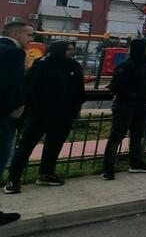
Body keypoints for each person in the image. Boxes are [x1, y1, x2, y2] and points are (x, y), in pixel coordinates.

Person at [5, 40, 85, 192]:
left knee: (54, 146)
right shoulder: (41, 66)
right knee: (26, 146)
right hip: (40, 115)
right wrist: (32, 111)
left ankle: (46, 174)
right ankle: (13, 179)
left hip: (63, 116)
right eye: (68, 49)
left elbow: (78, 91)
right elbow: (28, 90)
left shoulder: (73, 66)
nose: (72, 52)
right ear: (59, 50)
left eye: (72, 49)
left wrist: (73, 110)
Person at [102, 38, 146, 179]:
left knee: (137, 136)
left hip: (141, 105)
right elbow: (115, 87)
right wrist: (134, 95)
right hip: (125, 105)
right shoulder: (125, 66)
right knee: (117, 136)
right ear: (142, 48)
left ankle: (136, 163)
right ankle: (108, 169)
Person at [0, 20, 32, 224]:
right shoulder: (14, 53)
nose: (31, 40)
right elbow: (12, 83)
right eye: (29, 35)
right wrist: (17, 108)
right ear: (18, 34)